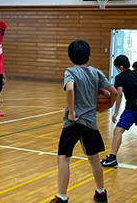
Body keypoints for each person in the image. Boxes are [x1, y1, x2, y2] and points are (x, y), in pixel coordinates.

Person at [49, 39, 118, 203]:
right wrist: (108, 106)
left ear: (69, 56)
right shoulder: (96, 72)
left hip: (73, 123)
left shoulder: (70, 71)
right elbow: (114, 92)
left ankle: (62, 197)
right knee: (94, 158)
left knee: (63, 158)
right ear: (89, 55)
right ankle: (101, 193)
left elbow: (70, 88)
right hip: (90, 123)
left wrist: (72, 112)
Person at [101, 55, 137, 169]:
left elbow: (119, 93)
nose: (117, 69)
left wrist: (115, 112)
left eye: (117, 67)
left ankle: (112, 158)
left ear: (120, 67)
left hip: (132, 110)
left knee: (117, 131)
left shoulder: (120, 77)